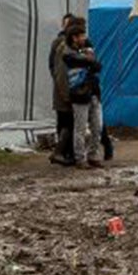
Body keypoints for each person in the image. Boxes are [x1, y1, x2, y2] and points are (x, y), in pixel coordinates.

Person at [64, 25, 105, 169]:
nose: (84, 38)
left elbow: (97, 66)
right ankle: (80, 158)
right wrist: (89, 58)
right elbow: (90, 62)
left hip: (93, 93)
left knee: (97, 126)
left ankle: (93, 155)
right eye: (81, 36)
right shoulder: (68, 54)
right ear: (74, 38)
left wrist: (89, 58)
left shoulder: (84, 52)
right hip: (79, 95)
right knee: (80, 128)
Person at [49, 14, 79, 165]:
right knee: (66, 123)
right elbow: (57, 70)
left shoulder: (70, 45)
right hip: (65, 91)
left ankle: (65, 153)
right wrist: (66, 92)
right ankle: (61, 152)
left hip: (67, 89)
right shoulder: (62, 45)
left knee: (67, 123)